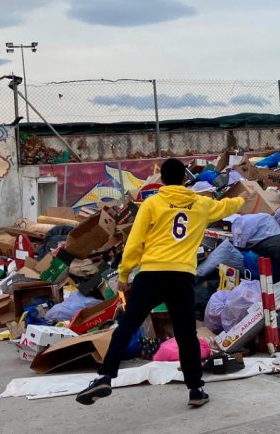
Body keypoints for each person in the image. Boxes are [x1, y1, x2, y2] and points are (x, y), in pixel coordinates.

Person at [77, 158, 244, 407]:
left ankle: (105, 376)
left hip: (151, 274)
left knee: (127, 325)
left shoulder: (152, 204)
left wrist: (124, 276)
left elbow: (134, 242)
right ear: (185, 180)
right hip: (182, 276)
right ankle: (196, 389)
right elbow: (228, 206)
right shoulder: (201, 204)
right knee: (186, 334)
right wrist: (245, 192)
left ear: (162, 181)